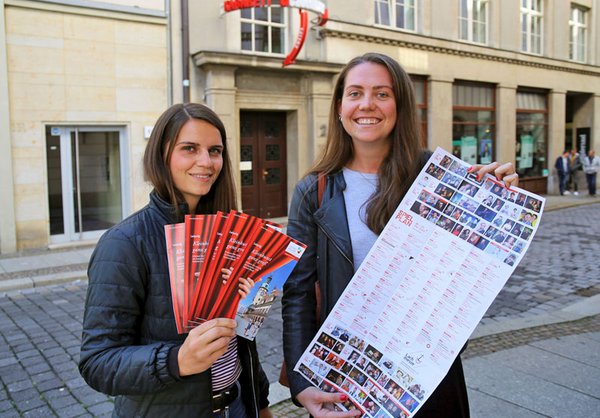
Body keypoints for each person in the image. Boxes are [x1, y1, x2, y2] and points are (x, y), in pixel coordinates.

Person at [281, 53, 519, 418]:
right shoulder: (313, 190)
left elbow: (472, 272)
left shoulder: (436, 177)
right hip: (349, 376)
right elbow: (296, 293)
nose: (367, 105)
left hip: (427, 371)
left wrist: (498, 202)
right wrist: (301, 385)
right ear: (340, 106)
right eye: (355, 93)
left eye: (381, 94)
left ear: (400, 105)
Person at [79, 103, 272, 417]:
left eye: (215, 150)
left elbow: (240, 342)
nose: (206, 162)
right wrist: (177, 360)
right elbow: (97, 363)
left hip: (237, 405)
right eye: (189, 148)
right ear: (162, 155)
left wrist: (259, 402)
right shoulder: (124, 243)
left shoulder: (230, 233)